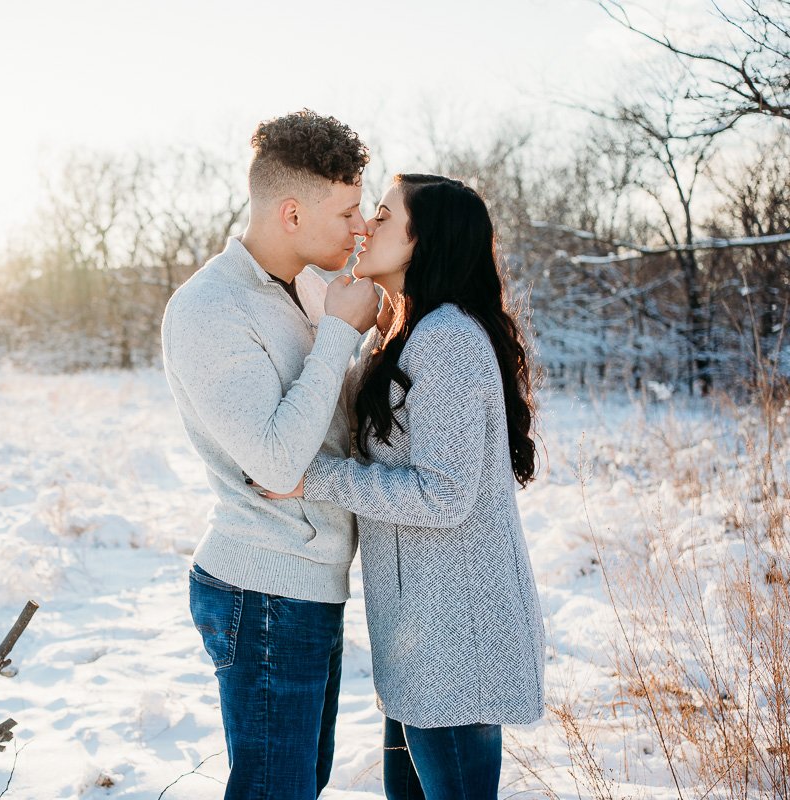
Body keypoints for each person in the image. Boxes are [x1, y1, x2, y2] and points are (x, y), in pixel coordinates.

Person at [256, 174, 546, 800]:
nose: (365, 227)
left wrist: (310, 480)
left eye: (383, 217)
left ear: (424, 241)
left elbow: (443, 496)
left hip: (457, 640)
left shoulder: (449, 342)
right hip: (418, 640)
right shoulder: (403, 335)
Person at [160, 109, 380, 800]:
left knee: (299, 785)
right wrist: (341, 334)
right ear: (291, 212)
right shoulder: (210, 308)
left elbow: (326, 423)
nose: (360, 227)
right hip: (264, 590)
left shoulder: (310, 289)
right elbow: (279, 462)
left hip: (308, 582)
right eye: (347, 211)